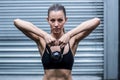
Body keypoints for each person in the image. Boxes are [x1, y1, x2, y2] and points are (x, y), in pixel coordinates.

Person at [14, 3, 100, 80]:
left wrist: (69, 34)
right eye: (52, 20)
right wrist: (44, 34)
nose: (56, 25)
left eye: (60, 20)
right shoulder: (41, 40)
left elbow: (96, 21)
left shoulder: (72, 40)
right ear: (48, 20)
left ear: (65, 20)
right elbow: (17, 22)